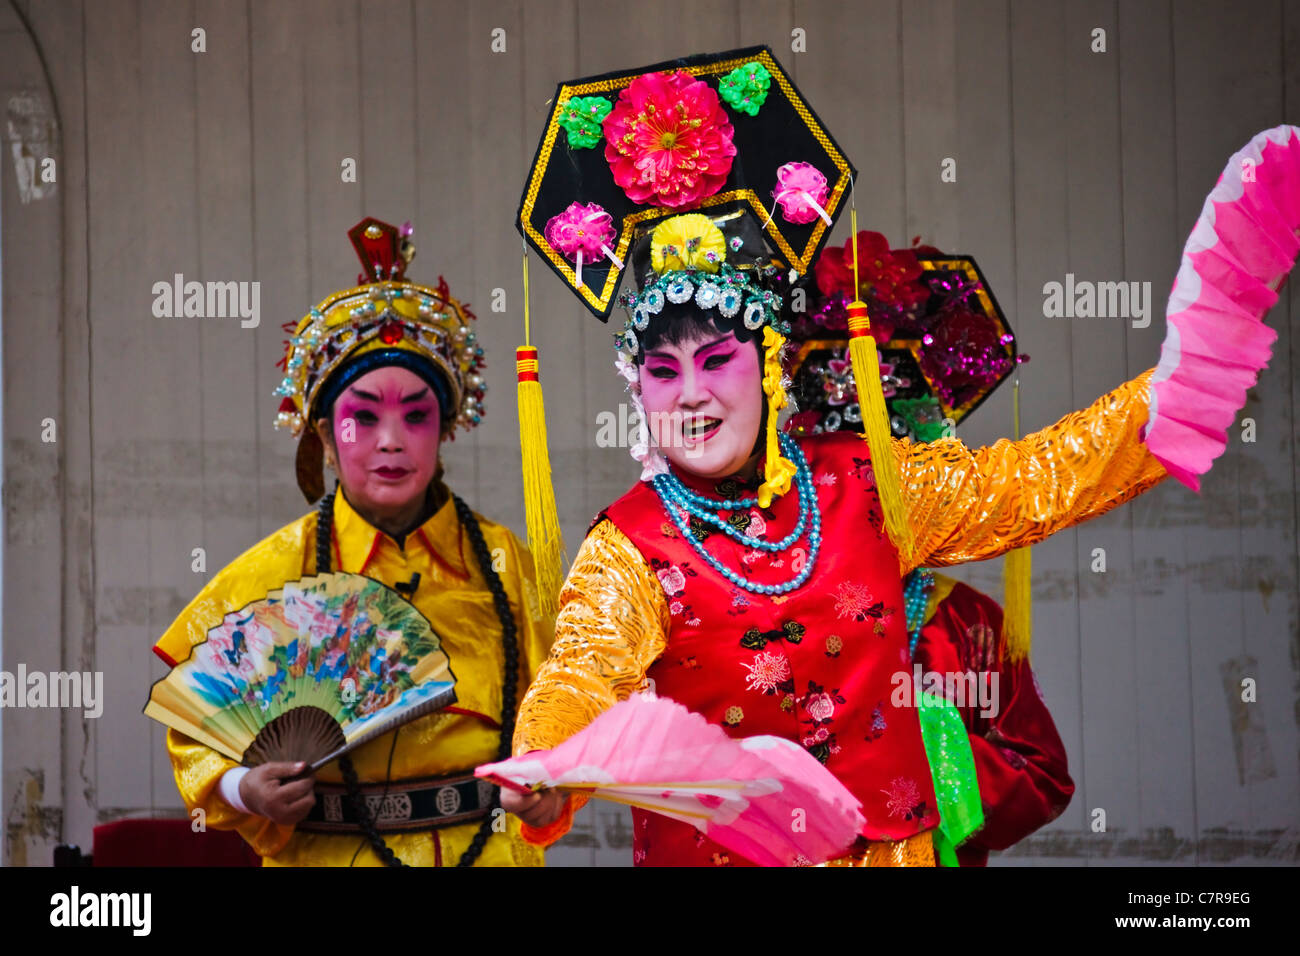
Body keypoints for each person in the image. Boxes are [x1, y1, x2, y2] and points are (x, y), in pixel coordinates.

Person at [153, 217, 554, 866]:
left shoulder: (506, 565)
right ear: (323, 436)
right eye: (362, 416)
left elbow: (568, 703)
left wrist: (554, 786)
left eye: (416, 415)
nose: (391, 440)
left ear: (444, 430)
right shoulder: (273, 571)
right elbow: (196, 726)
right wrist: (242, 786)